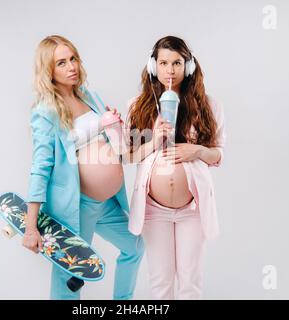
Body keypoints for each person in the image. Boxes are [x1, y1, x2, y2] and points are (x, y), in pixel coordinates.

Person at [23, 35, 144, 300]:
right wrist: (31, 227)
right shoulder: (45, 112)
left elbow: (114, 144)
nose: (71, 67)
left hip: (108, 203)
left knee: (134, 246)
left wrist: (114, 126)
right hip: (78, 207)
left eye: (73, 58)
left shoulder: (90, 96)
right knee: (71, 275)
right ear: (49, 71)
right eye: (61, 63)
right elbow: (40, 167)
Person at [125, 36, 226, 299]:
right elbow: (129, 156)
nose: (170, 70)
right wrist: (153, 140)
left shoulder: (208, 106)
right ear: (153, 66)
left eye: (177, 63)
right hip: (154, 211)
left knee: (190, 281)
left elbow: (218, 154)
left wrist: (198, 151)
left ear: (188, 66)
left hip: (191, 209)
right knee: (160, 282)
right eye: (164, 62)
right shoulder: (137, 106)